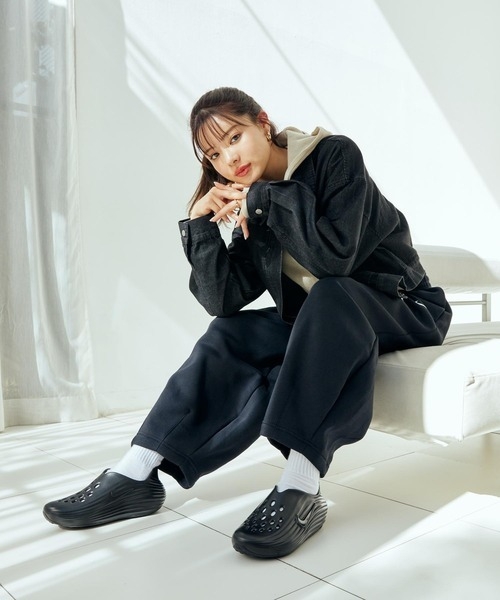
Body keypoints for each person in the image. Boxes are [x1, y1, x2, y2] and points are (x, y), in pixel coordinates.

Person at [43, 87, 452, 559]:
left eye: (234, 138)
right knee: (230, 334)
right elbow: (223, 301)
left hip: (404, 306)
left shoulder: (334, 157)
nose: (229, 159)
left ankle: (300, 485)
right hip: (325, 321)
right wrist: (200, 228)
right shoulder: (255, 200)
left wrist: (262, 200)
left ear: (262, 122)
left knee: (330, 294)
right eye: (214, 154)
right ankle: (137, 471)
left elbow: (335, 259)